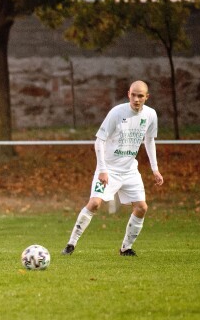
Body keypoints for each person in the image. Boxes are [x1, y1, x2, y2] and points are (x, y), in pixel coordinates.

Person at [61, 80, 164, 256]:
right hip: (108, 170)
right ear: (128, 94)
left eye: (140, 96)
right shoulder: (117, 112)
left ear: (147, 97)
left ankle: (126, 248)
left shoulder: (150, 115)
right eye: (133, 95)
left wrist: (155, 169)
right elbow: (99, 140)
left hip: (130, 171)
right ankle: (70, 244)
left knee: (142, 207)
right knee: (94, 204)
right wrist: (102, 169)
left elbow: (149, 140)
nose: (136, 99)